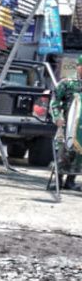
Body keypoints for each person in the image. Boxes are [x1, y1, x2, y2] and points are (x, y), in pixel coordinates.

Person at [48, 56, 81, 190]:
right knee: (63, 152)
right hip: (67, 124)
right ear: (78, 67)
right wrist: (57, 116)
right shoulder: (67, 83)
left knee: (79, 155)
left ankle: (71, 180)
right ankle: (58, 180)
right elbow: (55, 102)